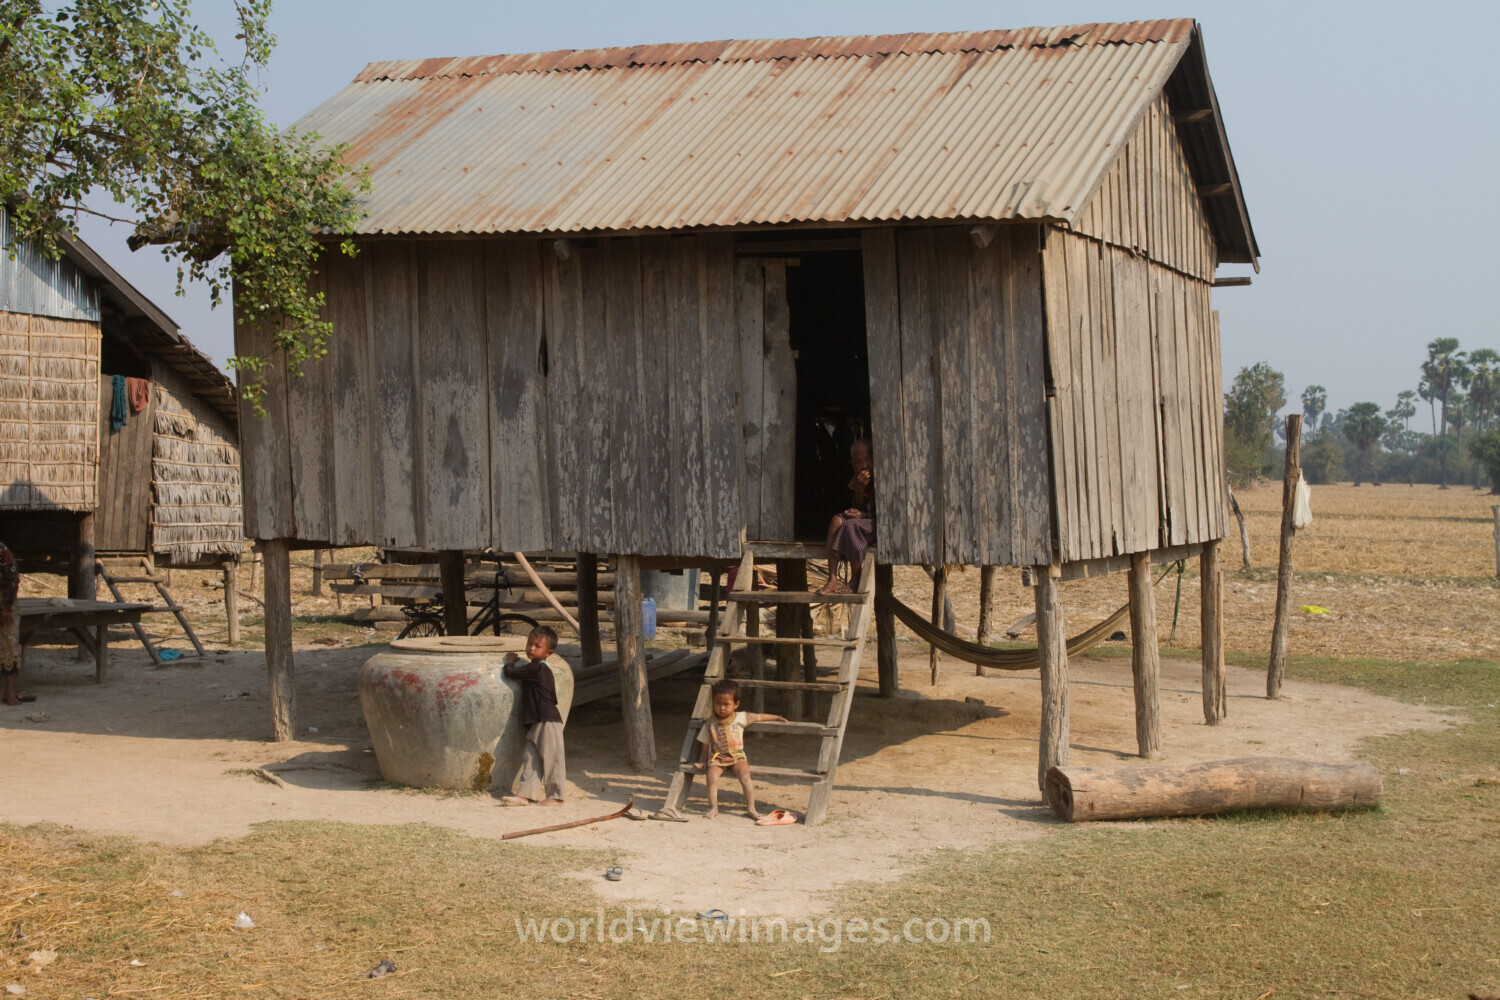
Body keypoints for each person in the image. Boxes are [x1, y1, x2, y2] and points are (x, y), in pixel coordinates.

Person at [694, 678, 785, 819]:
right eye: (717, 704)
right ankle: (713, 808)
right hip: (718, 758)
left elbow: (759, 717)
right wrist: (703, 761)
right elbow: (705, 743)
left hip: (737, 757)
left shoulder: (741, 717)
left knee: (745, 775)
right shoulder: (710, 722)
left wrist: (777, 717)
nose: (721, 708)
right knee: (711, 777)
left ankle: (751, 808)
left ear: (736, 704)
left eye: (726, 704)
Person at [500, 626, 566, 806]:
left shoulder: (537, 668)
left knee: (553, 758)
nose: (531, 648)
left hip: (547, 720)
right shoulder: (534, 668)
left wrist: (510, 661)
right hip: (536, 721)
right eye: (530, 643)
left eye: (537, 646)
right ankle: (525, 795)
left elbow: (510, 672)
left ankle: (557, 796)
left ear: (548, 652)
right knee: (531, 758)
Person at [817, 438, 875, 595]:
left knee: (851, 526)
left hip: (880, 526)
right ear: (852, 464)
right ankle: (832, 579)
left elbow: (888, 516)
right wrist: (860, 491)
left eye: (867, 460)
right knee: (836, 520)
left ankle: (856, 578)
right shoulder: (856, 479)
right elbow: (861, 506)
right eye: (858, 462)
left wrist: (863, 515)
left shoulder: (882, 478)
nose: (863, 465)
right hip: (866, 522)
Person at [0, 542, 24, 707]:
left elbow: (13, 578)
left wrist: (6, 607)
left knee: (9, 647)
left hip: (4, 603)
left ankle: (9, 693)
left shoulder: (1, 551)